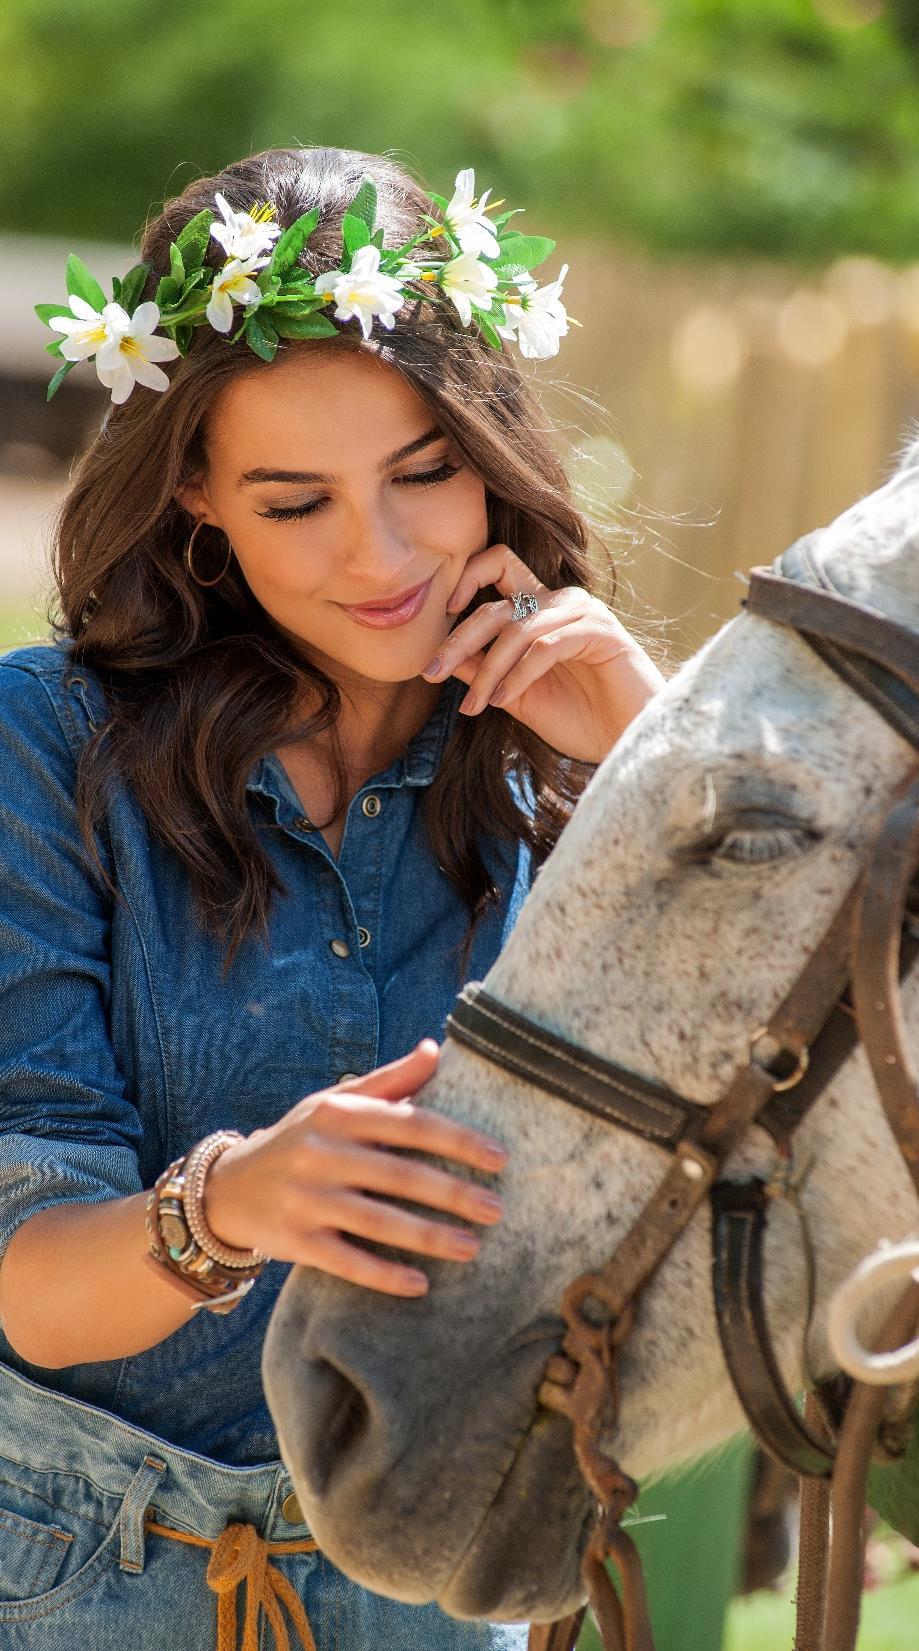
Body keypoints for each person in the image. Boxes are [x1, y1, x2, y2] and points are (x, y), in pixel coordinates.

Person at [0, 145, 662, 1650]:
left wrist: (653, 748)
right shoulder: (38, 748)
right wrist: (230, 1208)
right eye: (296, 502)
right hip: (84, 1589)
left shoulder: (574, 751)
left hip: (438, 1586)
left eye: (425, 473)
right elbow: (29, 1285)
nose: (381, 556)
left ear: (493, 445)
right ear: (197, 497)